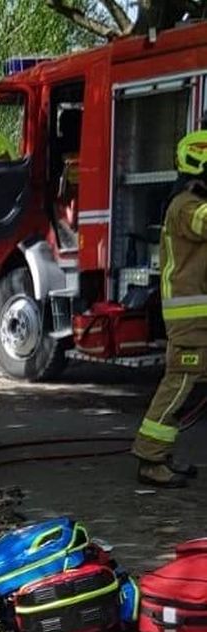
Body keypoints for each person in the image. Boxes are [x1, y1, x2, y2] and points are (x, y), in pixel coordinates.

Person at [133, 130, 207, 487]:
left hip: (197, 316)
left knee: (185, 384)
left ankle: (158, 454)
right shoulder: (186, 206)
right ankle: (150, 459)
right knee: (179, 384)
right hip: (190, 318)